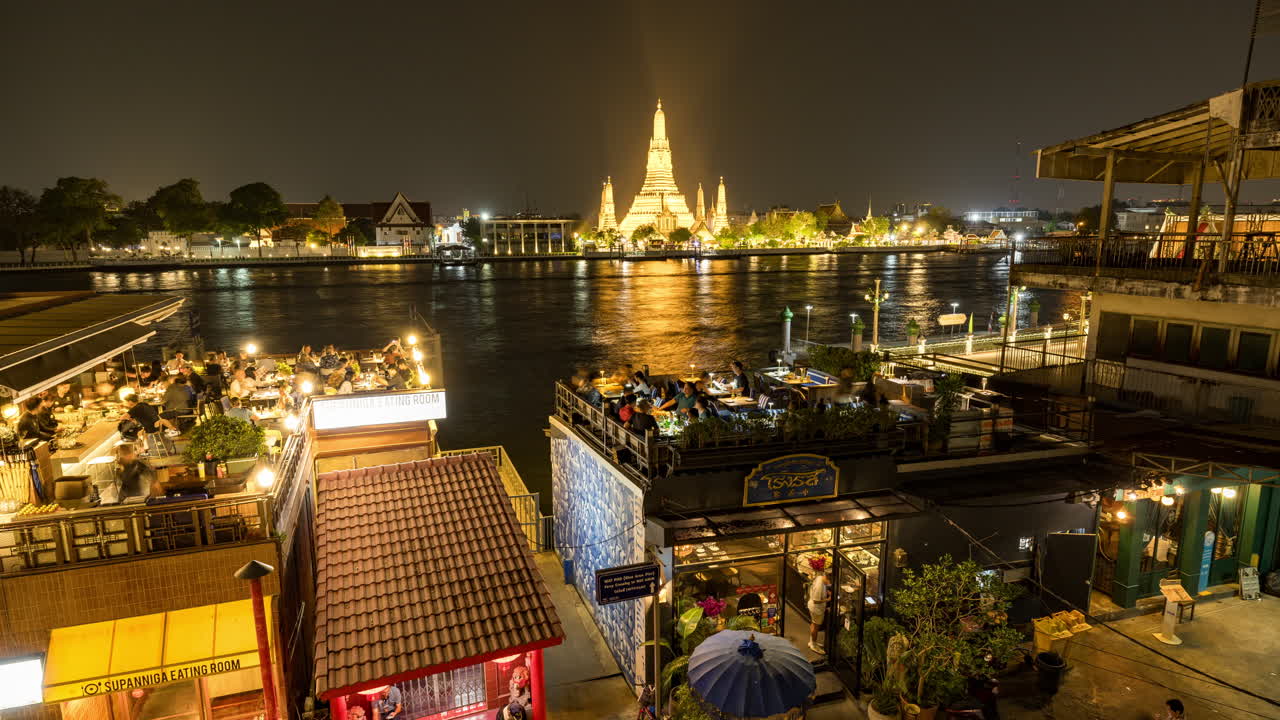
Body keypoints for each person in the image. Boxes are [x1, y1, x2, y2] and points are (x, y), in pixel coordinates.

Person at [807, 560, 831, 654]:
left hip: (814, 607)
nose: (829, 583)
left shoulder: (820, 578)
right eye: (829, 581)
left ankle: (812, 642)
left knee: (813, 624)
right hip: (816, 608)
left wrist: (827, 592)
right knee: (816, 626)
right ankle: (813, 645)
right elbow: (816, 600)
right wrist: (827, 600)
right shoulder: (819, 585)